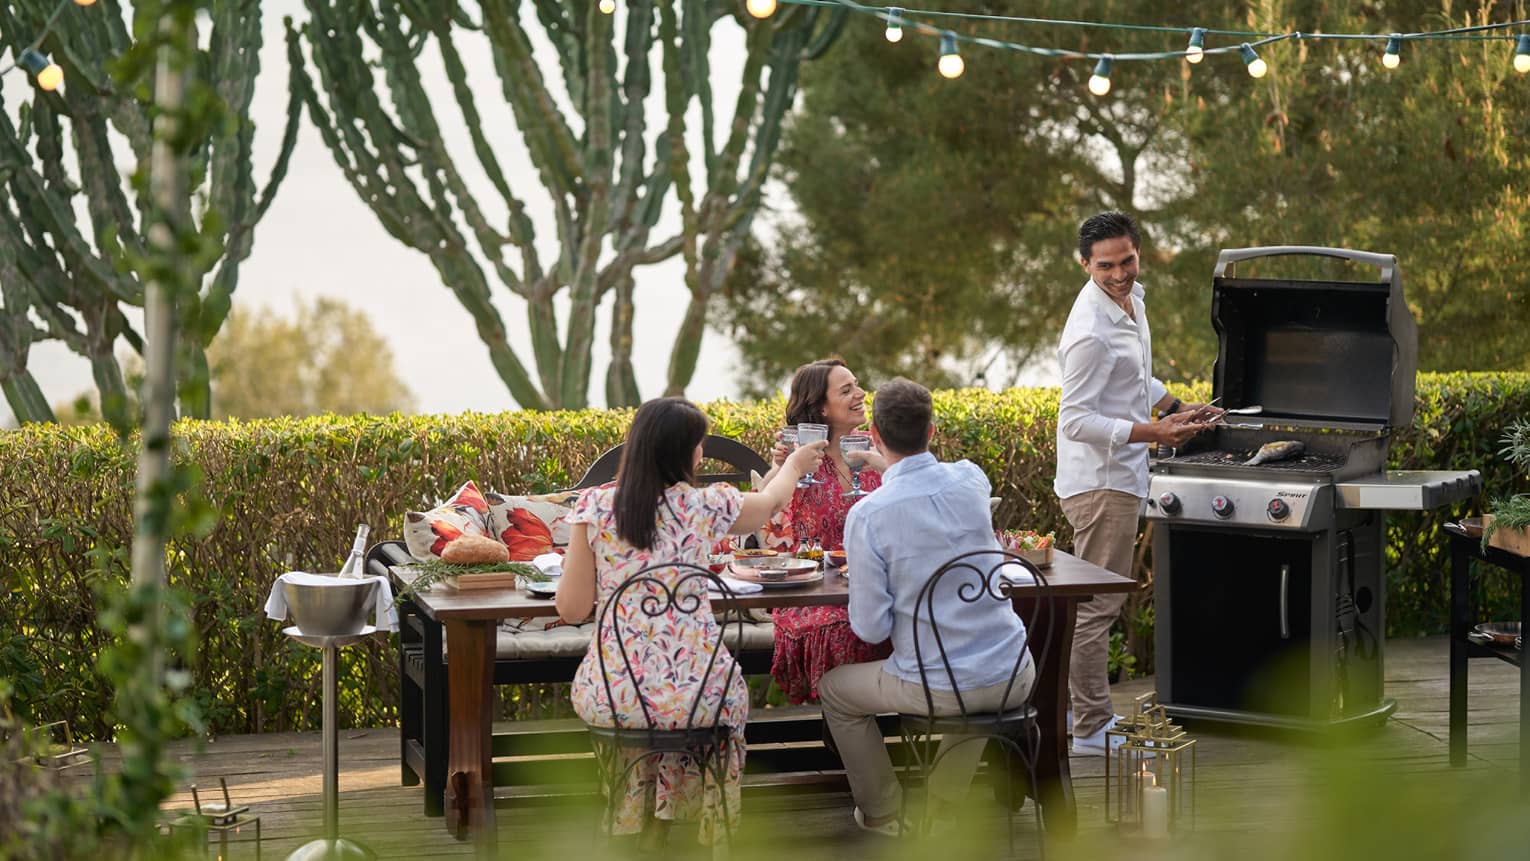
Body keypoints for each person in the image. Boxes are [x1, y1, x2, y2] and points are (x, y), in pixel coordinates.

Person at [557, 397, 827, 846]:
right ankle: (677, 820)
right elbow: (769, 502)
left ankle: (637, 820)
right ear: (688, 452)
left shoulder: (595, 507)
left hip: (617, 693)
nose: (702, 453)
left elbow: (569, 609)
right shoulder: (706, 506)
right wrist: (796, 465)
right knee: (699, 699)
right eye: (699, 445)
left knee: (649, 710)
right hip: (701, 694)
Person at [818, 378, 1035, 836]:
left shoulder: (869, 514)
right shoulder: (972, 479)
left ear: (873, 434)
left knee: (835, 691)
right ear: (932, 431)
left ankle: (882, 812)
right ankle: (940, 811)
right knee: (967, 682)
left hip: (945, 687)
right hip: (1014, 671)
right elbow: (936, 491)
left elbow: (871, 629)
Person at [1054, 211, 1220, 755]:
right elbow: (1075, 420)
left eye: (1127, 259)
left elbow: (1133, 375)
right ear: (1085, 265)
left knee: (1098, 605)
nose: (1120, 272)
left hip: (1121, 475)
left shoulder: (1132, 299)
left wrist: (1175, 406)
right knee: (1096, 608)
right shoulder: (1088, 332)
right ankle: (1090, 730)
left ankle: (1089, 722)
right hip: (1100, 483)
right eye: (1106, 266)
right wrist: (1154, 431)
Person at [760, 358, 892, 704]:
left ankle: (876, 731)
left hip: (873, 584)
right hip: (814, 592)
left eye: (858, 385)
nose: (860, 394)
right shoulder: (801, 460)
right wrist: (780, 467)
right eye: (846, 390)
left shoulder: (874, 449)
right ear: (820, 407)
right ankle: (846, 729)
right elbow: (769, 523)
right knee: (844, 629)